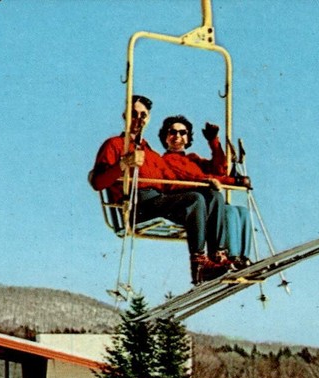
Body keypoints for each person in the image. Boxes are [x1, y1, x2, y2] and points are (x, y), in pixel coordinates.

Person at [89, 94, 228, 285]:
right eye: (134, 114)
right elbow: (97, 182)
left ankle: (216, 256)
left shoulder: (151, 154)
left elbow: (171, 181)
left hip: (159, 200)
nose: (138, 119)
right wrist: (123, 164)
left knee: (212, 195)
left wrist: (206, 181)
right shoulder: (114, 145)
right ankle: (198, 264)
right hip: (137, 203)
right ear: (125, 115)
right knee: (195, 199)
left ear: (148, 118)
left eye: (143, 115)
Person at [157, 115, 253, 268]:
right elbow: (194, 177)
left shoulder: (193, 159)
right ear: (165, 137)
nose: (177, 137)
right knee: (229, 212)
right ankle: (229, 256)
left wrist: (214, 142)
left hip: (208, 202)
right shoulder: (167, 160)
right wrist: (234, 182)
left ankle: (243, 257)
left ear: (188, 138)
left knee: (241, 211)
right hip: (192, 206)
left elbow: (219, 170)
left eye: (183, 133)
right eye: (172, 132)